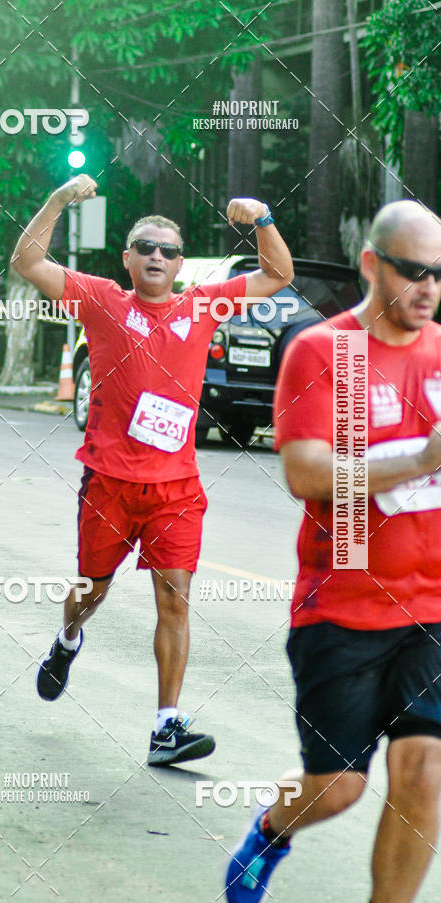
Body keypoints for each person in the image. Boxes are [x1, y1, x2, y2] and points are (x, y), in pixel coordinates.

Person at [12, 173, 293, 765]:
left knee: (175, 600)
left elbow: (278, 274)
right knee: (91, 590)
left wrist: (263, 218)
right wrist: (58, 199)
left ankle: (167, 726)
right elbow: (27, 262)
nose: (157, 256)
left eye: (168, 250)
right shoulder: (101, 301)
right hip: (109, 484)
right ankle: (67, 639)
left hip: (176, 490)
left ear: (180, 263)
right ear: (128, 258)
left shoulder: (204, 305)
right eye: (145, 247)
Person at [225, 200, 441, 901]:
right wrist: (419, 459)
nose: (429, 289)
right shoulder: (323, 351)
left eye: (440, 274)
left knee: (424, 772)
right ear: (372, 264)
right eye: (414, 272)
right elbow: (306, 473)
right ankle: (270, 830)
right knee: (338, 787)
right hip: (342, 608)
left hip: (432, 609)